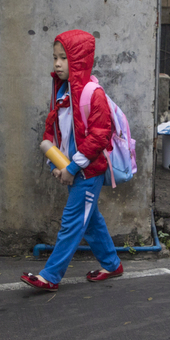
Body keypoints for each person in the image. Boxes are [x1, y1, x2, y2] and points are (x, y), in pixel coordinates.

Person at [20, 30, 122, 292]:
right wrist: (55, 165)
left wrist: (72, 167)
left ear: (78, 60)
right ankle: (112, 264)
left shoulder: (92, 94)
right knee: (91, 221)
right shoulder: (62, 92)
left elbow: (100, 137)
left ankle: (50, 276)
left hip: (88, 173)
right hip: (71, 170)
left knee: (73, 222)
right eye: (54, 57)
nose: (57, 63)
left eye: (63, 58)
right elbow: (51, 130)